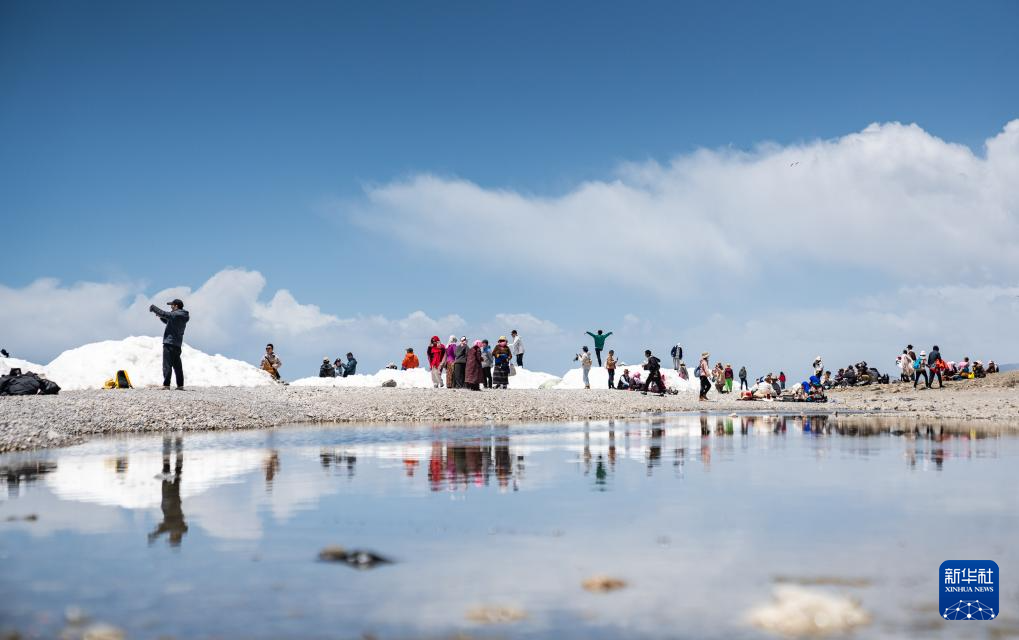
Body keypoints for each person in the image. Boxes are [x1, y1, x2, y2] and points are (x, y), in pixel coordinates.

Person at [149, 298, 189, 390]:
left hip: (169, 343)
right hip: (177, 344)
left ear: (176, 306)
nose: (171, 307)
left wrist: (153, 308)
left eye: (172, 305)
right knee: (177, 366)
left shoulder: (176, 314)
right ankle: (180, 385)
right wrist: (160, 316)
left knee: (167, 365)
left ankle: (166, 385)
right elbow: (167, 320)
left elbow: (164, 314)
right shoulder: (183, 316)